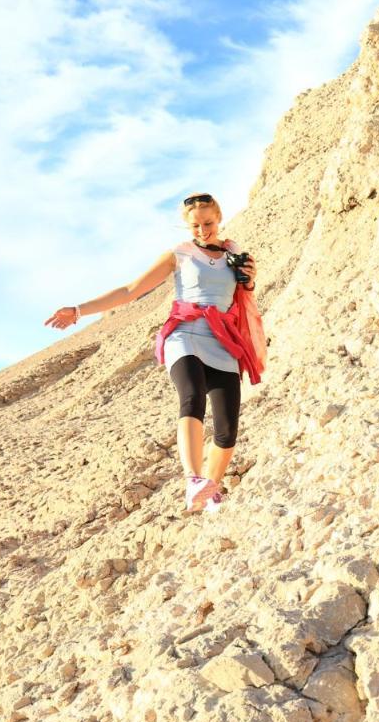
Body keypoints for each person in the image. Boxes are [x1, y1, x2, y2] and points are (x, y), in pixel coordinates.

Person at [45, 193, 265, 514]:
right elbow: (131, 291)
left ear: (219, 218)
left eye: (208, 223)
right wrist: (79, 310)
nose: (202, 230)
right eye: (195, 225)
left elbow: (242, 296)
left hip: (222, 339)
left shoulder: (236, 254)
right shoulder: (180, 255)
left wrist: (250, 280)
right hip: (186, 333)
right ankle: (193, 479)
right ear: (186, 226)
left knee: (227, 426)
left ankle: (211, 489)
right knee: (192, 397)